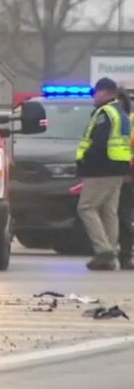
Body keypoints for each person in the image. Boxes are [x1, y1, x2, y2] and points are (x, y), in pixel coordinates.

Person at [75, 77, 133, 271]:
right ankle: (111, 250)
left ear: (105, 92)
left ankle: (104, 251)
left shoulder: (105, 113)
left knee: (86, 208)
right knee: (109, 211)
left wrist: (84, 162)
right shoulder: (121, 113)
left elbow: (98, 143)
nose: (94, 96)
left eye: (96, 92)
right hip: (118, 168)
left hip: (101, 169)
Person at [117, 88, 134, 270]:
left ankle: (126, 254)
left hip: (127, 176)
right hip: (109, 174)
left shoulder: (130, 121)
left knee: (124, 216)